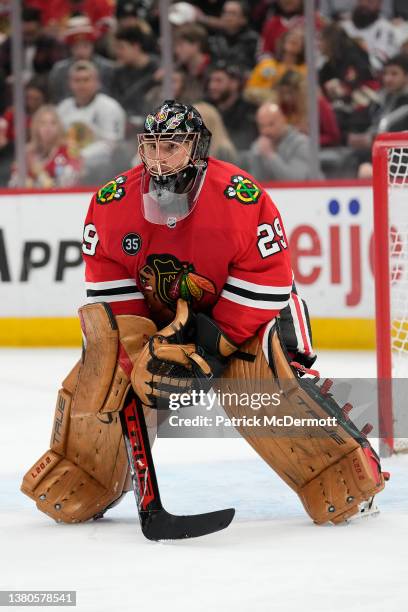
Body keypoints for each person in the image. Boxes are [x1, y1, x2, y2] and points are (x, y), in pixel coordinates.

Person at [21, 99, 386, 530]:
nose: (159, 158)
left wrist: (216, 343)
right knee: (103, 374)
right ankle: (91, 475)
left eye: (171, 146)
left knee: (256, 379)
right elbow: (115, 302)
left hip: (244, 314)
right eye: (152, 146)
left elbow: (269, 279)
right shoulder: (111, 203)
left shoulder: (240, 197)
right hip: (161, 321)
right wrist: (137, 356)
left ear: (197, 148)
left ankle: (339, 465)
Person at [57, 60, 126, 179]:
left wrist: (80, 156)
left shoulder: (109, 107)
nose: (82, 84)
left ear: (97, 82)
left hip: (101, 170)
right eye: (77, 80)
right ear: (70, 83)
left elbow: (111, 145)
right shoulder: (63, 108)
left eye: (86, 80)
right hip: (68, 165)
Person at [244, 102, 321, 181]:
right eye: (262, 126)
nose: (266, 130)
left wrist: (270, 155)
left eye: (271, 124)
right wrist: (258, 156)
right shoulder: (258, 146)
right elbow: (256, 183)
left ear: (282, 120)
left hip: (309, 192)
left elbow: (295, 181)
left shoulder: (302, 144)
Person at [9, 105, 80, 188]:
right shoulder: (27, 153)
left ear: (59, 126)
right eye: (43, 123)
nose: (48, 128)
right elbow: (14, 183)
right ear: (36, 127)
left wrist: (41, 176)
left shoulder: (69, 150)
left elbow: (69, 184)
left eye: (53, 123)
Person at [48, 16, 115, 104]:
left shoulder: (107, 68)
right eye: (76, 47)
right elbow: (56, 100)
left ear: (92, 46)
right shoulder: (59, 70)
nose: (81, 52)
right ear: (70, 48)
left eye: (85, 46)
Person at [276, 70, 341, 147]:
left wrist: (308, 140)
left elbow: (333, 137)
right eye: (283, 93)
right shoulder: (283, 106)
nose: (286, 98)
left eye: (290, 93)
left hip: (317, 150)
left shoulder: (319, 104)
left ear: (301, 90)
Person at [244, 27, 306, 104]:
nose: (294, 38)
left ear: (304, 46)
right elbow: (249, 91)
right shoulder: (266, 64)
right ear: (283, 41)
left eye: (300, 38)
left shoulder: (306, 70)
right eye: (291, 35)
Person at [206, 63, 258, 152]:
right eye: (211, 81)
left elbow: (243, 145)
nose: (212, 86)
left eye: (218, 81)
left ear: (234, 84)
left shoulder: (249, 112)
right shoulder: (207, 107)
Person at [111, 25, 159, 119]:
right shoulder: (118, 73)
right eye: (116, 48)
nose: (118, 52)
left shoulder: (158, 68)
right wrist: (151, 80)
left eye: (121, 47)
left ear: (136, 46)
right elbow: (120, 103)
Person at [341, 0, 399, 72]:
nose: (364, 4)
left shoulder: (385, 28)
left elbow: (380, 60)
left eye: (370, 2)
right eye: (361, 1)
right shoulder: (343, 27)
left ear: (379, 4)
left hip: (370, 74)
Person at [208, 0, 259, 70]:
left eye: (233, 13)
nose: (227, 17)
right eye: (225, 12)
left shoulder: (253, 41)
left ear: (244, 19)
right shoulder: (213, 40)